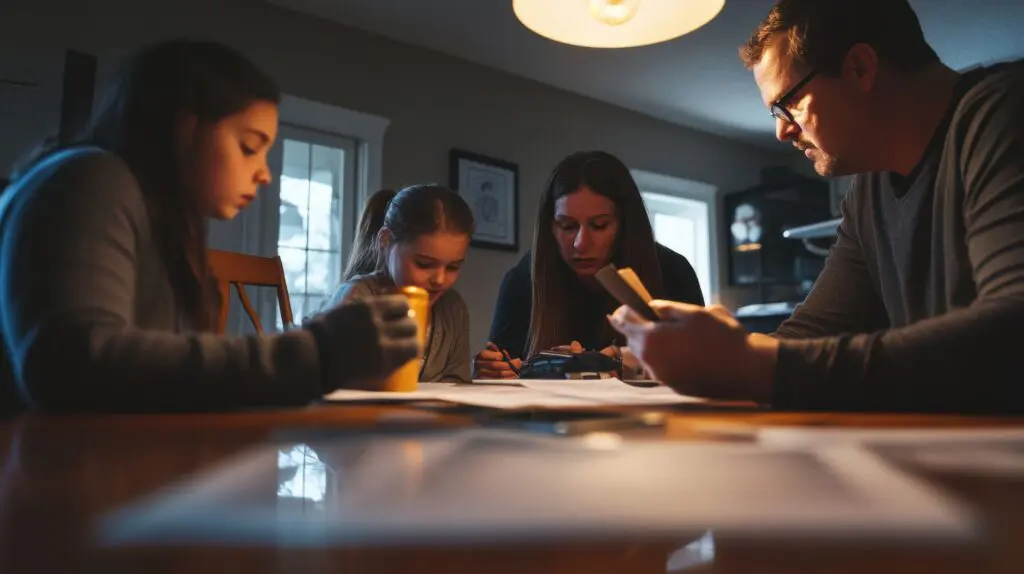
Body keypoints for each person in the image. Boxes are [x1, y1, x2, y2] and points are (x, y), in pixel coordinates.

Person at [610, 0, 1024, 414]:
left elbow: (1010, 332)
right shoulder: (868, 193)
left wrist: (752, 365)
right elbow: (814, 331)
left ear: (860, 68)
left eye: (787, 103)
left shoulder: (1003, 115)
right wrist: (714, 352)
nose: (781, 130)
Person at [0, 39, 418, 414]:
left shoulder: (162, 228)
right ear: (185, 127)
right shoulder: (89, 176)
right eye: (249, 147)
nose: (265, 174)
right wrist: (315, 354)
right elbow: (68, 364)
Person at [475, 150, 705, 379]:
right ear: (550, 227)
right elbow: (500, 369)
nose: (581, 243)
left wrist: (627, 359)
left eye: (600, 225)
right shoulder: (523, 279)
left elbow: (703, 370)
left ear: (625, 225)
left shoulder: (673, 271)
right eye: (567, 226)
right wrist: (489, 370)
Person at [323, 185, 474, 383]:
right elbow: (331, 381)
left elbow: (458, 382)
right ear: (386, 240)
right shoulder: (357, 299)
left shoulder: (453, 309)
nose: (440, 279)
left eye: (453, 267)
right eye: (424, 264)